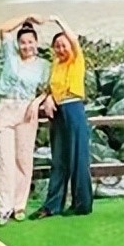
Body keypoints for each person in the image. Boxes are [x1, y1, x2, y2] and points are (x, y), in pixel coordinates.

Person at [0, 16, 52, 226]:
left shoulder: (45, 65)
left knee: (23, 159)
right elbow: (4, 28)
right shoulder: (11, 56)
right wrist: (27, 18)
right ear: (19, 44)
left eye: (30, 41)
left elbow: (49, 90)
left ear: (37, 43)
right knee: (4, 160)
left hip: (28, 110)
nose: (27, 46)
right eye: (23, 42)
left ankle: (19, 205)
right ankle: (3, 209)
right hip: (7, 108)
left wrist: (37, 102)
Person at [32, 15, 92, 219]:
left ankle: (81, 204)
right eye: (57, 46)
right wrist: (48, 98)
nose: (61, 49)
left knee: (78, 158)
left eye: (63, 45)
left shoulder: (76, 59)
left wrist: (58, 20)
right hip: (57, 112)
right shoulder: (55, 64)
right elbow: (52, 88)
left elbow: (74, 40)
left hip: (73, 108)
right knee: (58, 159)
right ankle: (52, 205)